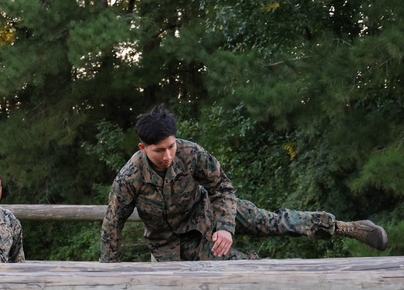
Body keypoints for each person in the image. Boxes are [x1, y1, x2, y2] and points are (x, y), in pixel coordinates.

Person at [100, 105, 388, 263]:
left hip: (209, 210)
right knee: (224, 268)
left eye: (171, 147)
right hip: (173, 242)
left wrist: (224, 226)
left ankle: (344, 227)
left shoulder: (191, 153)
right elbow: (113, 225)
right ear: (142, 147)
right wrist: (109, 275)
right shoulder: (128, 178)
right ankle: (259, 265)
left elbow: (222, 189)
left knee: (271, 222)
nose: (168, 155)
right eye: (159, 150)